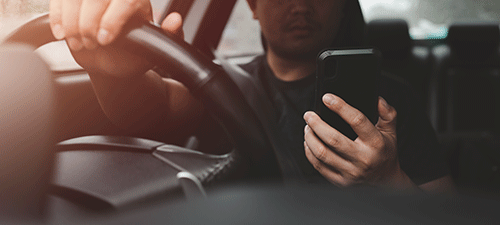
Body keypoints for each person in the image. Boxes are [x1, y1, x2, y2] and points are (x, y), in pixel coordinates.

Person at [49, 0, 454, 192]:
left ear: (342, 7)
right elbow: (154, 108)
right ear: (253, 8)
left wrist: (389, 180)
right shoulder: (223, 83)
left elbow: (445, 210)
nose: (300, 5)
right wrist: (114, 74)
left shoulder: (391, 99)